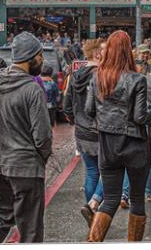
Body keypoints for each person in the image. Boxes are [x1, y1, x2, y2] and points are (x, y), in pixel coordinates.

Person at [0, 32, 52, 243]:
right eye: (40, 55)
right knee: (30, 230)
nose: (42, 60)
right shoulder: (32, 89)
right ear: (30, 58)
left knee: (2, 215)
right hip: (26, 167)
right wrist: (40, 158)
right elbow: (43, 137)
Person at [85, 30, 150, 242]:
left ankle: (93, 241)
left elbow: (88, 110)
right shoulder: (137, 79)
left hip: (108, 146)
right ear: (128, 52)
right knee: (137, 199)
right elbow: (140, 117)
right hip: (135, 146)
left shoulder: (98, 78)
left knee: (110, 199)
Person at [64, 38, 106, 227]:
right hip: (100, 132)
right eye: (104, 51)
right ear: (97, 53)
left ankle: (92, 215)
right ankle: (93, 206)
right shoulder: (101, 76)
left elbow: (66, 105)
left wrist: (75, 120)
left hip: (81, 132)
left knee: (91, 173)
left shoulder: (75, 75)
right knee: (110, 172)